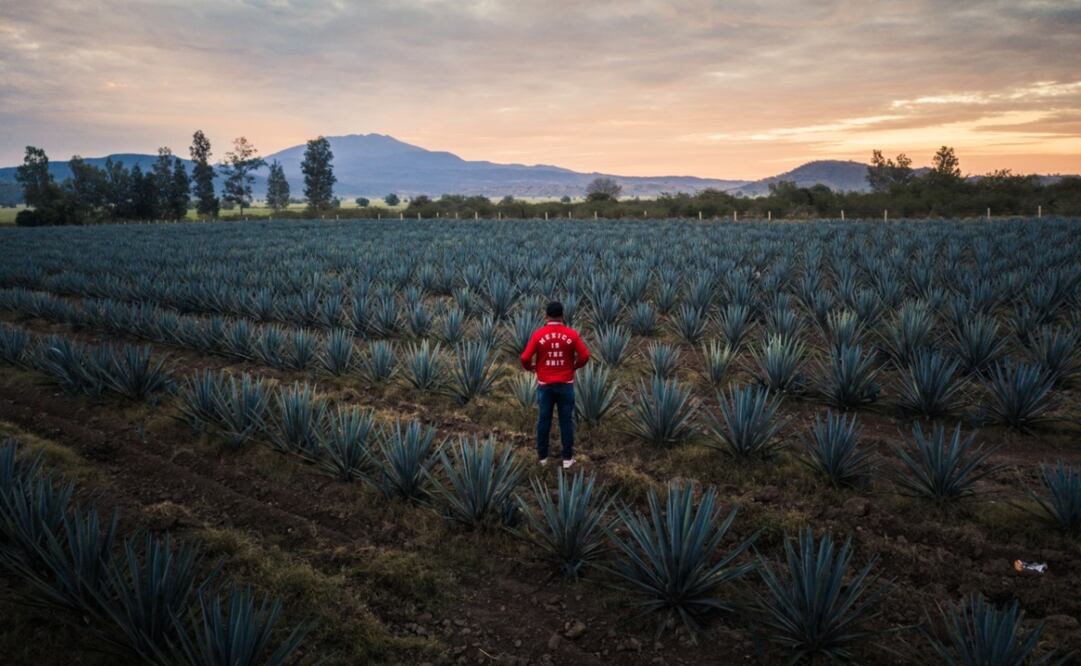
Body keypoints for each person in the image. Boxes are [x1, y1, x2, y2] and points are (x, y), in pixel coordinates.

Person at [519, 301, 590, 469]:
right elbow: (585, 355)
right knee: (566, 421)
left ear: (546, 316)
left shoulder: (538, 335)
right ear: (563, 316)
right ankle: (567, 459)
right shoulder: (571, 334)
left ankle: (543, 458)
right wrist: (574, 366)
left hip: (545, 385)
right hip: (565, 384)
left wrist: (532, 368)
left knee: (544, 420)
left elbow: (524, 358)